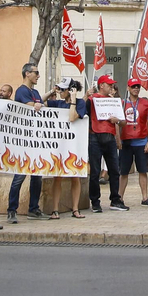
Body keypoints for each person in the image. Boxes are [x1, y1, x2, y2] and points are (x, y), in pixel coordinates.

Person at [5, 63, 46, 223]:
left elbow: (39, 103)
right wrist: (38, 105)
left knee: (37, 176)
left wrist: (48, 96)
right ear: (27, 73)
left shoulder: (34, 91)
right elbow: (30, 106)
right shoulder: (22, 91)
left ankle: (34, 208)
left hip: (35, 140)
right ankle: (11, 210)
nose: (38, 75)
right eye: (36, 72)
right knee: (19, 176)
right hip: (23, 140)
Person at [45, 78, 87, 218]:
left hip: (74, 144)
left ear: (71, 90)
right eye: (61, 89)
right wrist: (53, 90)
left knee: (75, 176)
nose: (61, 92)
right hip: (61, 144)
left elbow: (72, 117)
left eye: (63, 90)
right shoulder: (58, 103)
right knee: (58, 177)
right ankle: (55, 209)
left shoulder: (81, 103)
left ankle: (75, 209)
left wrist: (73, 100)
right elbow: (41, 100)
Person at [85, 73, 126, 213]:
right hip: (95, 136)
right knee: (95, 172)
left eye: (112, 84)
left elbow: (123, 122)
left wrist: (117, 121)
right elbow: (81, 110)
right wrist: (86, 95)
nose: (111, 87)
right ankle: (95, 202)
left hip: (110, 137)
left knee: (114, 170)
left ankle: (115, 200)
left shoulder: (115, 101)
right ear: (101, 85)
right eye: (109, 84)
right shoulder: (92, 99)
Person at [119, 77, 148, 207]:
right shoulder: (122, 103)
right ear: (128, 88)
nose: (136, 89)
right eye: (133, 86)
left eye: (138, 87)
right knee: (123, 172)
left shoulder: (145, 103)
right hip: (126, 141)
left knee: (143, 170)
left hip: (141, 141)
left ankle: (145, 197)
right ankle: (120, 197)